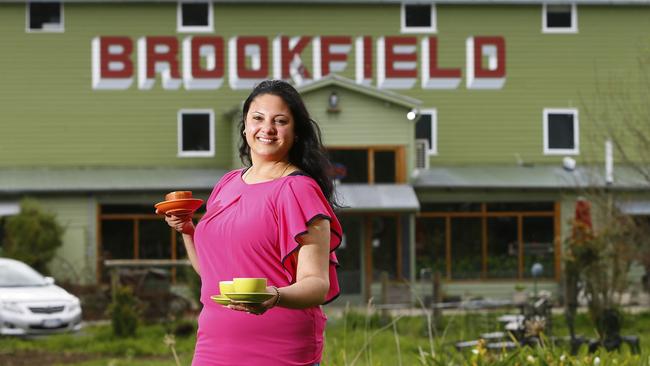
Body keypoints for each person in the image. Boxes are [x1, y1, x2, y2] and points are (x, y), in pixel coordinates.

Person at [162, 79, 342, 366]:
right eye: (258, 118)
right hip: (213, 347)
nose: (267, 128)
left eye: (280, 121)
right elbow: (211, 273)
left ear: (295, 133)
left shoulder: (299, 189)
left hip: (280, 350)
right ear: (245, 126)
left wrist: (275, 296)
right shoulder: (228, 183)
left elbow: (316, 284)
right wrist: (187, 231)